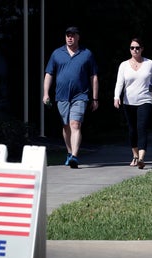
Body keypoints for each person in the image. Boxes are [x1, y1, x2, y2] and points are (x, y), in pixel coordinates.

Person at [43, 26, 99, 169]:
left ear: (78, 37)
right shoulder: (57, 53)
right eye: (68, 35)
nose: (70, 37)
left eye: (73, 35)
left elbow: (94, 76)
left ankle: (74, 156)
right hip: (61, 96)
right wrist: (46, 93)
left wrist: (95, 98)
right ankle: (69, 153)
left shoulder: (86, 54)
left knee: (75, 124)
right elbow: (49, 74)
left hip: (80, 95)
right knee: (66, 126)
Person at [113, 37, 152, 169]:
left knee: (142, 128)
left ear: (142, 49)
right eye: (132, 48)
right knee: (132, 130)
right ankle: (134, 155)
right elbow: (119, 83)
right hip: (129, 101)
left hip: (145, 99)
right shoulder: (123, 65)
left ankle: (141, 158)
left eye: (137, 48)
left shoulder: (149, 63)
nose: (134, 50)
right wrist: (116, 97)